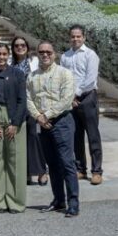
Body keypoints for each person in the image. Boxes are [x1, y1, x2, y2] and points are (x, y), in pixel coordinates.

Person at [28, 41, 80, 217]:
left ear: (54, 54)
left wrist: (47, 115)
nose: (45, 55)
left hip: (62, 122)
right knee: (52, 164)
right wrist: (38, 117)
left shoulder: (65, 73)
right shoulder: (32, 76)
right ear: (37, 54)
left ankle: (73, 203)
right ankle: (58, 200)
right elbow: (28, 99)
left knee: (67, 163)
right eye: (41, 52)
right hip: (44, 124)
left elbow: (67, 99)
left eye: (48, 52)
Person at [0, 42, 27, 213]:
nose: (1, 57)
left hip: (14, 117)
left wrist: (15, 123)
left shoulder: (18, 74)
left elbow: (22, 100)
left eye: (4, 54)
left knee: (15, 161)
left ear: (8, 55)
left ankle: (16, 202)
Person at [60, 24, 103, 185]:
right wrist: (69, 98)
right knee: (76, 135)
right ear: (69, 38)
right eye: (73, 36)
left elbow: (90, 80)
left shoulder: (90, 55)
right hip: (71, 101)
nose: (75, 39)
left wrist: (75, 94)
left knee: (93, 135)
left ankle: (97, 171)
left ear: (84, 37)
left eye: (78, 36)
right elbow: (63, 78)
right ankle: (80, 169)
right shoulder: (65, 56)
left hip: (87, 98)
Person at [12, 36, 48, 187]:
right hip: (16, 106)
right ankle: (26, 173)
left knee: (33, 137)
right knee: (20, 139)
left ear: (27, 47)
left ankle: (41, 171)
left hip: (32, 105)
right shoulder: (10, 64)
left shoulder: (34, 62)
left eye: (22, 45)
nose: (20, 47)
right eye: (17, 45)